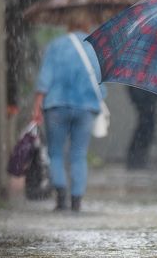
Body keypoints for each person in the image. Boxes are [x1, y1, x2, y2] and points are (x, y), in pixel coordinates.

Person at [31, 12, 105, 212]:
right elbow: (101, 81)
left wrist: (37, 105)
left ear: (68, 25)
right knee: (78, 155)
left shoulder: (56, 46)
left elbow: (45, 78)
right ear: (88, 24)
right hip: (86, 107)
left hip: (56, 105)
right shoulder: (95, 48)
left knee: (56, 152)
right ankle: (76, 200)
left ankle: (61, 197)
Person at [126, 87, 157, 169]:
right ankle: (136, 158)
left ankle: (137, 158)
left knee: (147, 125)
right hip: (144, 94)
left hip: (146, 94)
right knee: (146, 125)